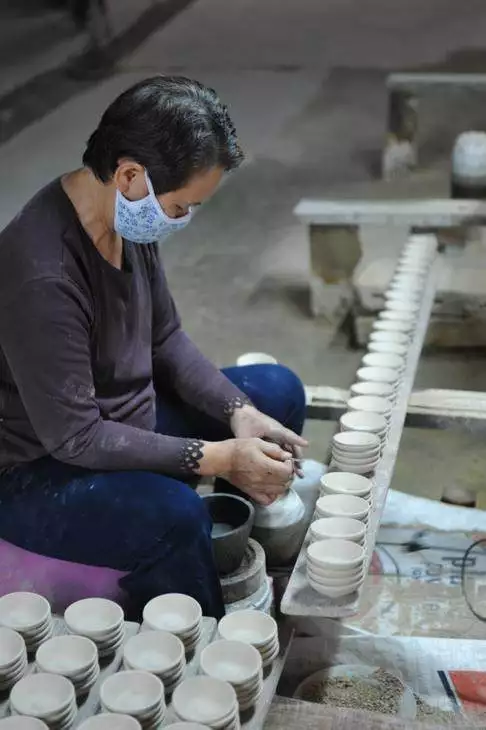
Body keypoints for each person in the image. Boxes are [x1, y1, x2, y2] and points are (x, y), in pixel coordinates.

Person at [0, 76, 307, 620]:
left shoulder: (126, 221)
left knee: (276, 393)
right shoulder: (41, 272)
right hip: (42, 469)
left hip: (125, 422)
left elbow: (164, 338)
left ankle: (241, 555)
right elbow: (77, 437)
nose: (182, 219)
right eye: (180, 205)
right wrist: (216, 456)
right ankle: (208, 637)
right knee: (176, 519)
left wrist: (238, 412)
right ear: (129, 175)